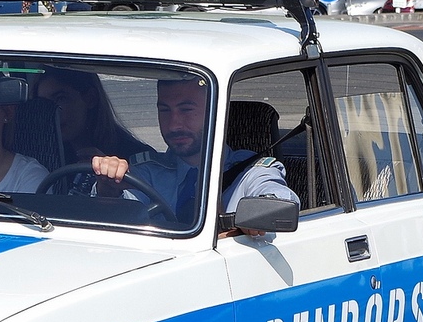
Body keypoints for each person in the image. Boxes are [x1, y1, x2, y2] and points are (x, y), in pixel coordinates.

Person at [91, 75, 297, 232]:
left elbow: (280, 199)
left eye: (186, 110)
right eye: (164, 110)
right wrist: (108, 187)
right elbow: (115, 215)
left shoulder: (250, 173)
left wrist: (257, 218)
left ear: (214, 111)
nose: (174, 124)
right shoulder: (148, 173)